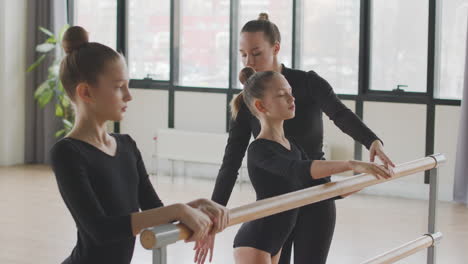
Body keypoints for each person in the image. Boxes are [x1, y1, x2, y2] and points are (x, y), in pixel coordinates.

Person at [199, 13, 395, 264]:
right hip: (276, 206)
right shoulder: (248, 101)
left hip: (315, 198)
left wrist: (372, 142)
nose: (249, 61)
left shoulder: (307, 83)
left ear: (276, 48)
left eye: (256, 53)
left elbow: (339, 113)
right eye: (243, 54)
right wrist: (215, 215)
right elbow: (231, 162)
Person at [51, 26, 229, 264]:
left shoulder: (127, 146)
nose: (129, 96)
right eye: (118, 86)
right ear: (85, 92)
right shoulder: (68, 153)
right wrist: (178, 210)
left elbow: (155, 212)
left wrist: (197, 206)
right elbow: (100, 230)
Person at [236, 68, 391, 264]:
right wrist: (351, 164)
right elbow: (297, 169)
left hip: (278, 240)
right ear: (261, 106)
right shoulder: (258, 149)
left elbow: (322, 189)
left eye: (291, 92)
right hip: (256, 241)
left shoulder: (293, 147)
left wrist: (371, 175)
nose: (292, 99)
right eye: (282, 95)